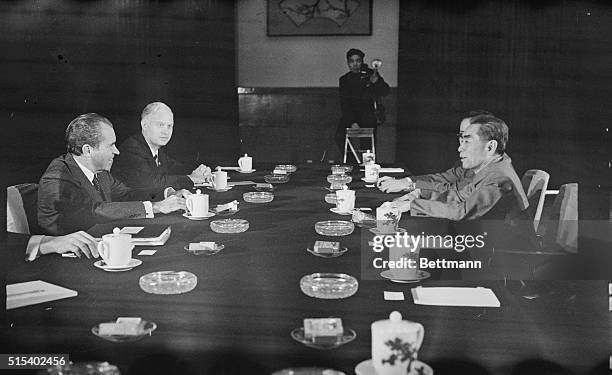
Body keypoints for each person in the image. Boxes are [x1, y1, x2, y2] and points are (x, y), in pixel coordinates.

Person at [38, 113, 187, 236]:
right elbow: (95, 211)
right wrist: (156, 207)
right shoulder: (58, 177)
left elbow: (125, 194)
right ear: (88, 150)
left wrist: (167, 194)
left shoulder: (100, 172)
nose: (117, 151)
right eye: (111, 145)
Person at [381, 115, 528, 220]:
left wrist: (412, 205)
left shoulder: (499, 177)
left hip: (499, 254)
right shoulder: (491, 168)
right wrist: (420, 194)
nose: (459, 149)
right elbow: (459, 196)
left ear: (490, 147)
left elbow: (462, 211)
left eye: (467, 142)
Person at [378, 110, 492, 195]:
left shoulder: (492, 172)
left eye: (468, 137)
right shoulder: (469, 163)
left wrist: (410, 186)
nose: (461, 145)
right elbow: (441, 179)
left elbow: (454, 191)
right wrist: (405, 181)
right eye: (461, 135)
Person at [112, 102, 211, 189]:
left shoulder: (156, 151)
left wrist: (201, 170)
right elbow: (149, 184)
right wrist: (191, 178)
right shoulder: (132, 149)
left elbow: (176, 168)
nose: (166, 131)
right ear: (144, 125)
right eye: (160, 125)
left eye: (169, 126)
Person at [335, 48, 390, 157]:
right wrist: (352, 122)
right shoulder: (344, 79)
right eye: (352, 61)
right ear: (348, 63)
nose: (355, 64)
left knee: (367, 147)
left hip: (368, 115)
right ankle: (352, 163)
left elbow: (385, 91)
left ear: (362, 61)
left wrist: (376, 82)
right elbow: (344, 103)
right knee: (339, 137)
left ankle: (366, 168)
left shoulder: (370, 74)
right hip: (351, 115)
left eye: (358, 60)